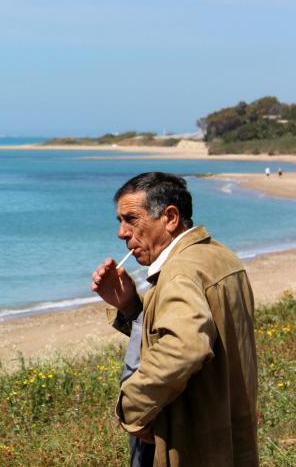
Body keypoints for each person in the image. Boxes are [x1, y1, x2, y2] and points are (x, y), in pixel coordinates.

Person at [91, 172, 258, 467]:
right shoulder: (219, 257)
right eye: (119, 221)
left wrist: (132, 407)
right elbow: (205, 335)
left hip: (189, 443)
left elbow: (186, 346)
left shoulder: (179, 273)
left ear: (170, 218)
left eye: (131, 219)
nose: (122, 233)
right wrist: (130, 306)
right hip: (225, 437)